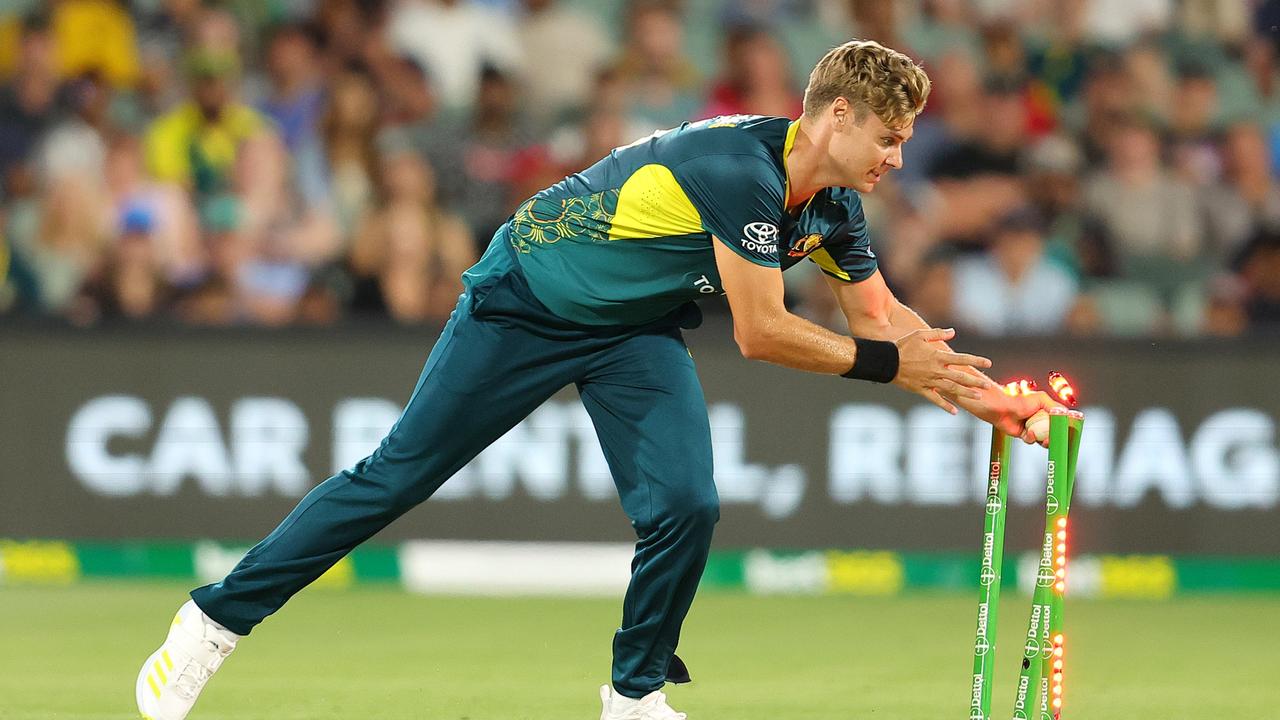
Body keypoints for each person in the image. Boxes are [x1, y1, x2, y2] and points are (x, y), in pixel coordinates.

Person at [135, 40, 1060, 720]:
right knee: (394, 479)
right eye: (890, 137)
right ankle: (211, 623)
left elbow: (882, 320)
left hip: (631, 329)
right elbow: (763, 332)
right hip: (526, 299)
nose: (900, 157)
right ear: (838, 116)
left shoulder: (835, 206)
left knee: (687, 505)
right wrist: (895, 368)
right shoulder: (737, 169)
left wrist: (994, 400)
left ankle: (633, 695)